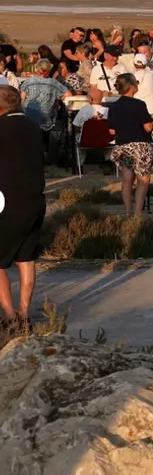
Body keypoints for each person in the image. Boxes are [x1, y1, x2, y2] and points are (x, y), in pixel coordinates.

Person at [0, 85, 46, 324]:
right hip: (35, 198)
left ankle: (8, 315)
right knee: (26, 258)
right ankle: (24, 313)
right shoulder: (34, 127)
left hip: (6, 199)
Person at [108, 74, 153, 216]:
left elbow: (112, 130)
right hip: (139, 145)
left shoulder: (114, 106)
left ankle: (128, 211)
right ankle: (137, 214)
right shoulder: (139, 104)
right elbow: (148, 127)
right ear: (131, 87)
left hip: (123, 145)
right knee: (143, 180)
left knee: (127, 181)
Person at [18, 59, 67, 150]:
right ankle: (45, 151)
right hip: (47, 115)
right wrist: (57, 98)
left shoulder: (29, 82)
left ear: (37, 68)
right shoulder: (53, 83)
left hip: (30, 114)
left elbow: (22, 99)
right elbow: (68, 94)